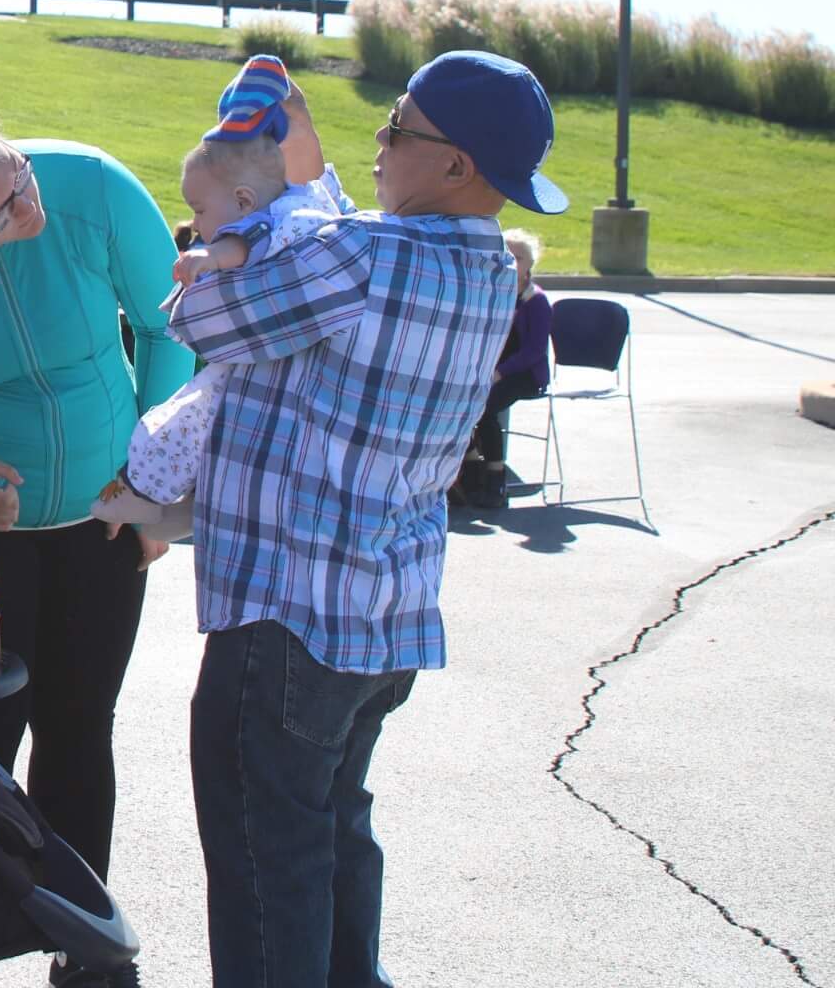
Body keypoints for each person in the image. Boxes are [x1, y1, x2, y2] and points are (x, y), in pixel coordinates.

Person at [166, 50, 568, 988]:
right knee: (333, 830)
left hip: (285, 617)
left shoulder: (364, 257)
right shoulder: (486, 265)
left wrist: (234, 220)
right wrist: (311, 179)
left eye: (397, 129)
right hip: (383, 614)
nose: (380, 142)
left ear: (456, 164)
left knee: (267, 860)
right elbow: (347, 254)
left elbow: (202, 319)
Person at [0, 108, 193, 988]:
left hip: (103, 521)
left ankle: (85, 946)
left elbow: (169, 327)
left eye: (20, 182)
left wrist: (150, 480)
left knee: (80, 726)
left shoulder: (91, 184)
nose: (25, 211)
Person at [91, 56, 340, 541]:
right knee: (194, 421)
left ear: (243, 200)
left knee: (186, 421)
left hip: (256, 372)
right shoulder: (307, 206)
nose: (198, 223)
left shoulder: (280, 219)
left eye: (200, 210)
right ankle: (160, 499)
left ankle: (143, 491)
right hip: (264, 368)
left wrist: (208, 256)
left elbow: (245, 243)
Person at [452, 227, 552, 509]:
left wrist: (499, 373)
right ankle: (471, 465)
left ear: (529, 264)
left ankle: (496, 476)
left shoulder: (536, 301)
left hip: (523, 374)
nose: (510, 261)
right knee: (452, 401)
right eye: (505, 255)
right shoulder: (489, 293)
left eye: (517, 257)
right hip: (488, 370)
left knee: (484, 407)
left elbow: (534, 351)